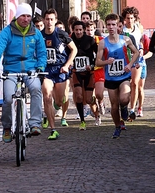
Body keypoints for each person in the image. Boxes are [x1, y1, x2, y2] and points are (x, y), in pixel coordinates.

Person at [0, 3, 47, 143]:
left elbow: (42, 53)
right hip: (11, 69)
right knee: (8, 98)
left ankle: (35, 123)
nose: (26, 19)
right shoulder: (7, 32)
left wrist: (40, 68)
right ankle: (7, 127)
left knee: (36, 89)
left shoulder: (36, 32)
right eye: (23, 16)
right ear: (17, 16)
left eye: (28, 16)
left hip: (30, 69)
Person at [95, 13, 139, 138]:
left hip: (124, 75)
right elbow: (97, 62)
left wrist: (130, 65)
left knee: (124, 98)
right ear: (106, 26)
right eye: (108, 24)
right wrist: (106, 62)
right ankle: (117, 126)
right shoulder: (103, 43)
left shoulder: (125, 39)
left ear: (118, 25)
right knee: (114, 106)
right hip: (110, 78)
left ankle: (124, 106)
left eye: (113, 24)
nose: (111, 27)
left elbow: (136, 53)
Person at [41, 8, 77, 140]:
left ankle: (57, 107)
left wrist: (67, 65)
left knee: (59, 100)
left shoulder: (61, 34)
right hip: (46, 71)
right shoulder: (39, 36)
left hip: (60, 70)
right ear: (44, 20)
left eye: (51, 19)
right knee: (46, 96)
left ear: (55, 20)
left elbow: (74, 49)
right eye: (47, 19)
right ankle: (53, 129)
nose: (49, 22)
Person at [71, 21, 98, 128]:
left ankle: (97, 114)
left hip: (88, 72)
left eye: (80, 30)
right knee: (78, 96)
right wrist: (70, 63)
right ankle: (82, 121)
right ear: (73, 30)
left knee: (88, 99)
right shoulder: (70, 40)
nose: (78, 32)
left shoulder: (90, 40)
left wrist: (91, 65)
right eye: (76, 30)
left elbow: (98, 56)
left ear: (83, 30)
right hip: (76, 72)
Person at [122, 6, 142, 120]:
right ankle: (124, 105)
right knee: (126, 84)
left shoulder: (138, 28)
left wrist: (142, 49)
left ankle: (132, 109)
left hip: (137, 59)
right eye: (127, 18)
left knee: (135, 83)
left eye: (131, 18)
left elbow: (141, 42)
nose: (129, 20)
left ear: (135, 18)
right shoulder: (123, 30)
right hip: (126, 59)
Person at [85, 21, 106, 116]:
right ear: (85, 31)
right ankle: (96, 115)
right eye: (88, 30)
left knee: (98, 94)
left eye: (91, 30)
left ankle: (101, 102)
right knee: (89, 97)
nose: (89, 32)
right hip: (88, 71)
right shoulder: (83, 41)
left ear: (94, 30)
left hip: (99, 69)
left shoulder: (101, 40)